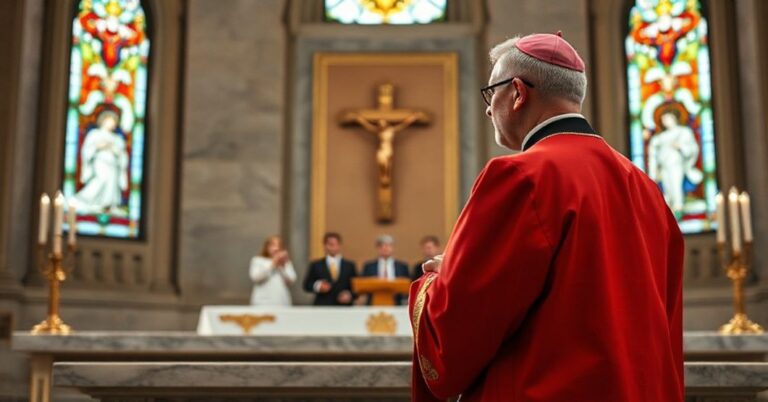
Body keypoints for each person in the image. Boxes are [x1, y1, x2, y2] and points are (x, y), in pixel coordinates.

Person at [409, 32, 684, 402]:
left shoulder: (520, 177)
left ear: (518, 93)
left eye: (492, 94)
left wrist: (437, 283)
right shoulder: (647, 190)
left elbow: (457, 331)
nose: (489, 109)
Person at [647, 104, 703, 219]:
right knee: (667, 190)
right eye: (663, 119)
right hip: (664, 167)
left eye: (668, 118)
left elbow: (692, 149)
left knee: (676, 187)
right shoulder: (659, 138)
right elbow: (653, 156)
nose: (665, 121)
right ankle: (669, 212)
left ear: (674, 118)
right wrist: (653, 173)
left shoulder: (684, 132)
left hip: (676, 166)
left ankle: (678, 209)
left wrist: (681, 147)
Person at [75, 110, 129, 214]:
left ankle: (108, 206)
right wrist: (99, 146)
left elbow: (122, 155)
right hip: (100, 162)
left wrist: (115, 150)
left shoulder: (117, 139)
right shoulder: (94, 134)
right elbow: (87, 150)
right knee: (101, 179)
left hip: (113, 165)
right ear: (104, 121)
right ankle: (86, 201)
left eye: (114, 121)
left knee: (111, 184)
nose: (112, 123)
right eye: (110, 120)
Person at [303, 232, 356, 306]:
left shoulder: (349, 266)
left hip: (344, 307)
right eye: (330, 244)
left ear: (339, 245)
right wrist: (318, 286)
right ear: (325, 246)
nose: (333, 247)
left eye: (335, 244)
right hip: (323, 305)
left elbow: (356, 287)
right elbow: (307, 285)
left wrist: (349, 295)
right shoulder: (316, 265)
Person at [248, 235, 296, 306]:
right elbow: (255, 277)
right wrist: (272, 264)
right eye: (273, 245)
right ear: (267, 247)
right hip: (262, 302)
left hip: (282, 301)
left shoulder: (286, 263)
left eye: (279, 245)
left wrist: (282, 267)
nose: (276, 248)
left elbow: (292, 280)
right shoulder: (257, 260)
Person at [362, 235, 409, 304]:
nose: (384, 248)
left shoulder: (402, 266)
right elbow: (363, 285)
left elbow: (408, 285)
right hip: (373, 302)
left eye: (387, 245)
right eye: (381, 246)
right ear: (377, 248)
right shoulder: (368, 266)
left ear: (392, 247)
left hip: (397, 303)